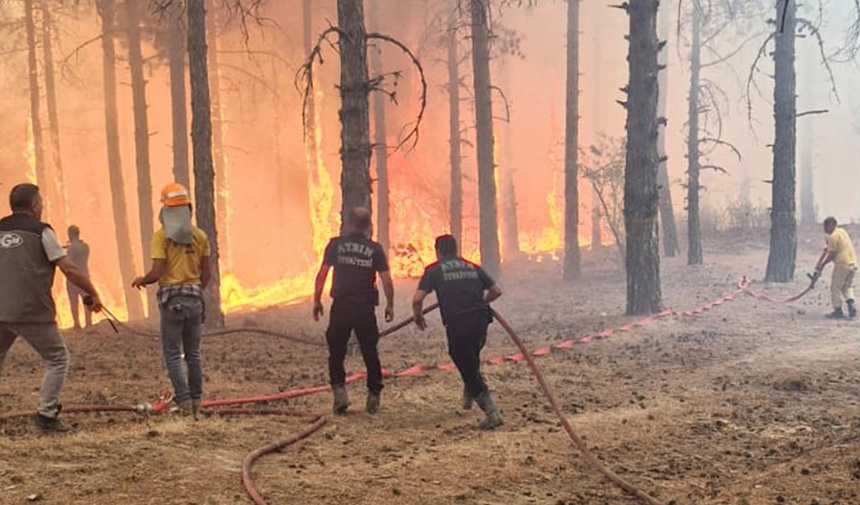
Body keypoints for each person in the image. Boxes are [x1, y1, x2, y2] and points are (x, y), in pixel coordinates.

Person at [0, 183, 102, 433]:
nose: (42, 207)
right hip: (32, 309)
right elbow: (68, 268)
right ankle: (46, 415)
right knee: (57, 358)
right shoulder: (42, 232)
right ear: (35, 205)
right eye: (41, 203)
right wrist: (92, 292)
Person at [133, 183, 212, 419]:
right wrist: (194, 291)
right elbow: (206, 273)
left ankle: (185, 401)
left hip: (172, 300)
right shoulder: (200, 236)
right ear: (189, 209)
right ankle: (197, 400)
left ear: (165, 211)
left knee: (171, 352)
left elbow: (158, 271)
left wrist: (142, 280)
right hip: (194, 299)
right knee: (193, 353)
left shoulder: (160, 237)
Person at [412, 235, 504, 430]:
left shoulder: (434, 270)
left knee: (465, 363)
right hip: (481, 320)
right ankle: (469, 394)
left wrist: (418, 317)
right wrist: (482, 302)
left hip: (458, 322)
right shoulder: (472, 266)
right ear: (455, 249)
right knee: (471, 357)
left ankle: (492, 412)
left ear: (438, 251)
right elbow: (497, 290)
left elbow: (417, 299)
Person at [313, 207, 394, 415]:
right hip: (364, 308)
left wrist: (316, 300)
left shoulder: (335, 245)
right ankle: (374, 392)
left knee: (336, 351)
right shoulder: (375, 249)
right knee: (369, 351)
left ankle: (339, 392)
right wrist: (390, 304)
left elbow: (322, 274)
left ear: (348, 224)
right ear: (368, 226)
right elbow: (386, 280)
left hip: (341, 306)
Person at [814, 217, 857, 319]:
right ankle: (851, 305)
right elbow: (838, 246)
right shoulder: (842, 231)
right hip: (852, 263)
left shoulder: (832, 236)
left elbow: (832, 254)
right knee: (847, 286)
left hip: (842, 265)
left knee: (835, 287)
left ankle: (838, 311)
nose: (825, 229)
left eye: (826, 226)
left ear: (831, 225)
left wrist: (822, 264)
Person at [66, 225, 92, 329]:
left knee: (74, 302)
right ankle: (88, 322)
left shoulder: (71, 248)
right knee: (87, 300)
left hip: (73, 278)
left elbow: (68, 261)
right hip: (85, 275)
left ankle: (76, 323)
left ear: (70, 234)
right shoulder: (86, 246)